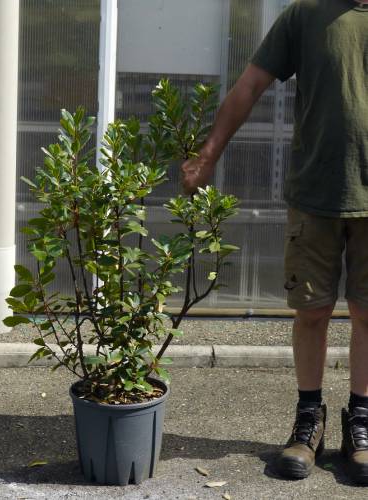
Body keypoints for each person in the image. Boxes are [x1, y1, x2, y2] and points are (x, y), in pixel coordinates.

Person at [181, 0, 368, 483]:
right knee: (311, 312)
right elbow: (250, 85)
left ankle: (362, 424)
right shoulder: (305, 14)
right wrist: (208, 155)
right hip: (315, 193)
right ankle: (309, 423)